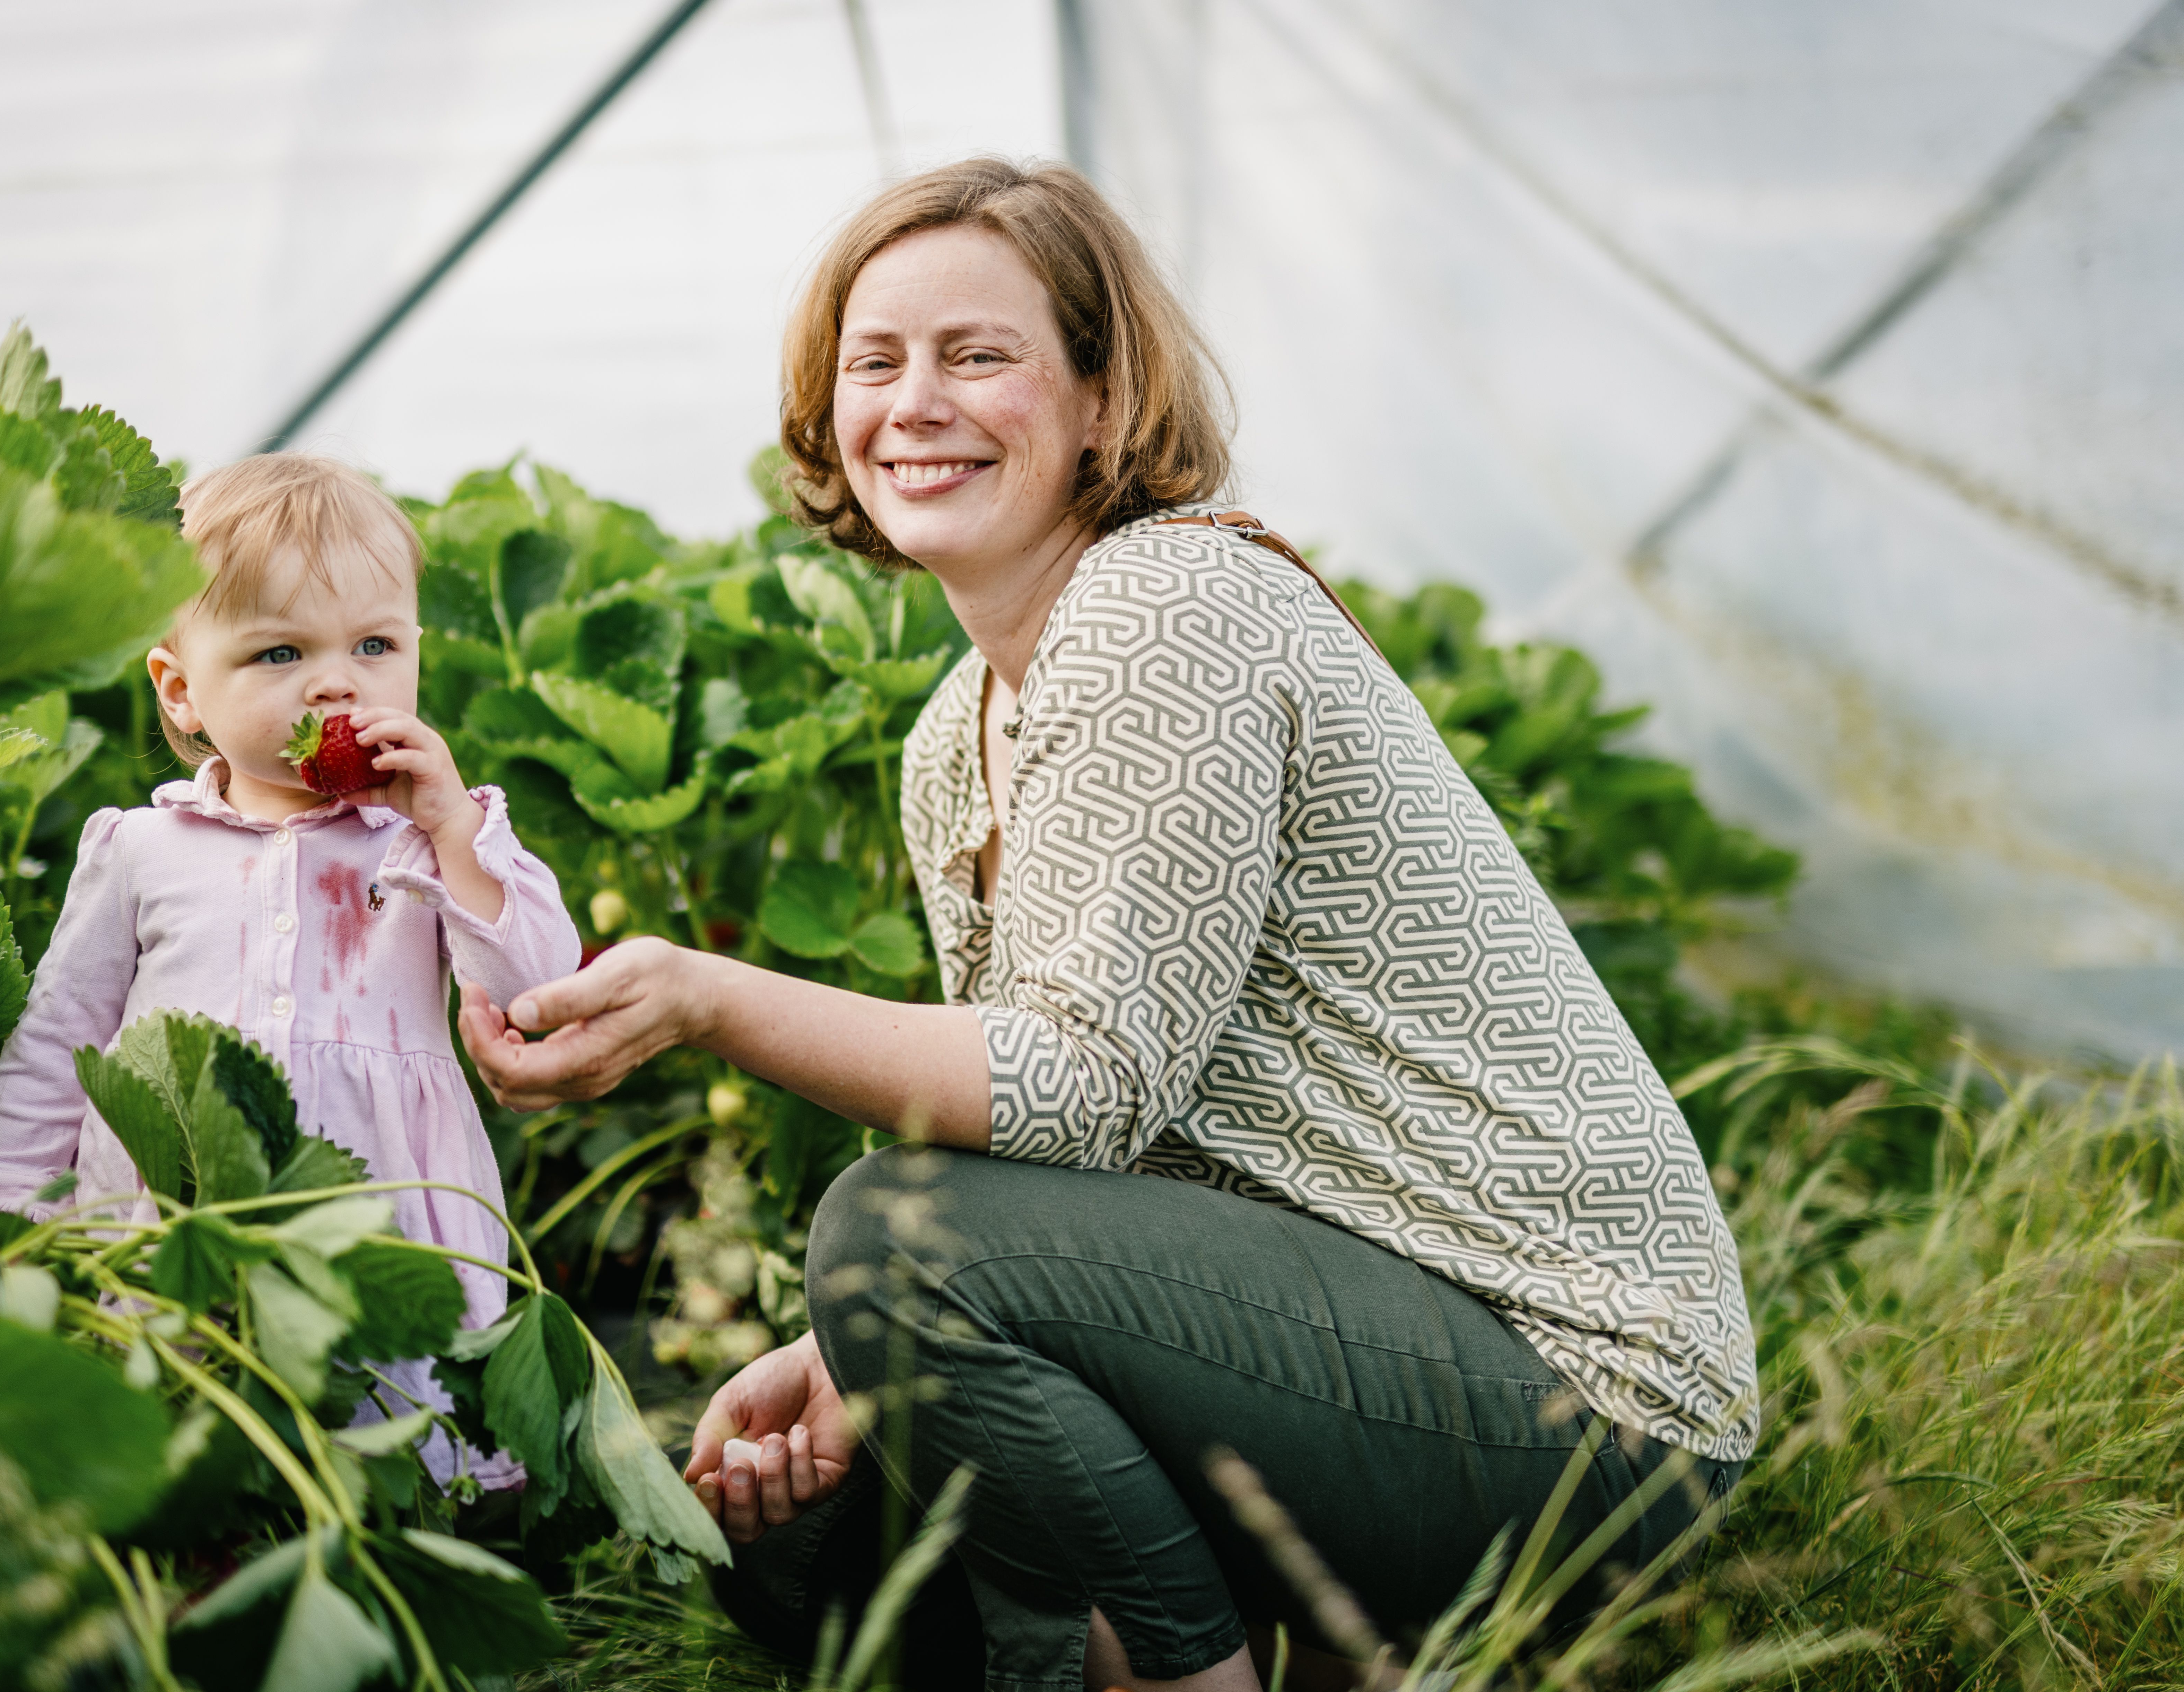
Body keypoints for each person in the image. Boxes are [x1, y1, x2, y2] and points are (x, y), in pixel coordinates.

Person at [462, 158, 1756, 1691]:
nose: (915, 403)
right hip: (1354, 1350)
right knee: (795, 1537)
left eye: (979, 355)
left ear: (1099, 398)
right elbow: (1057, 1160)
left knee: (885, 1238)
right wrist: (851, 1353)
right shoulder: (959, 732)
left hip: (1579, 1405)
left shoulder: (1167, 608)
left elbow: (1076, 1095)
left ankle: (1188, 1678)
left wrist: (703, 999)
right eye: (874, 364)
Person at [0, 453, 582, 1478]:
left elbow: (535, 990)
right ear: (182, 689)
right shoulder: (140, 850)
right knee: (193, 1424)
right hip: (182, 1206)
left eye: (376, 644)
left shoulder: (433, 844)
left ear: (418, 654)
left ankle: (405, 1526)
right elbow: (59, 1043)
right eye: (279, 651)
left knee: (393, 1420)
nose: (337, 681)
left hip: (385, 1210)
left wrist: (456, 826)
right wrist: (8, 1211)